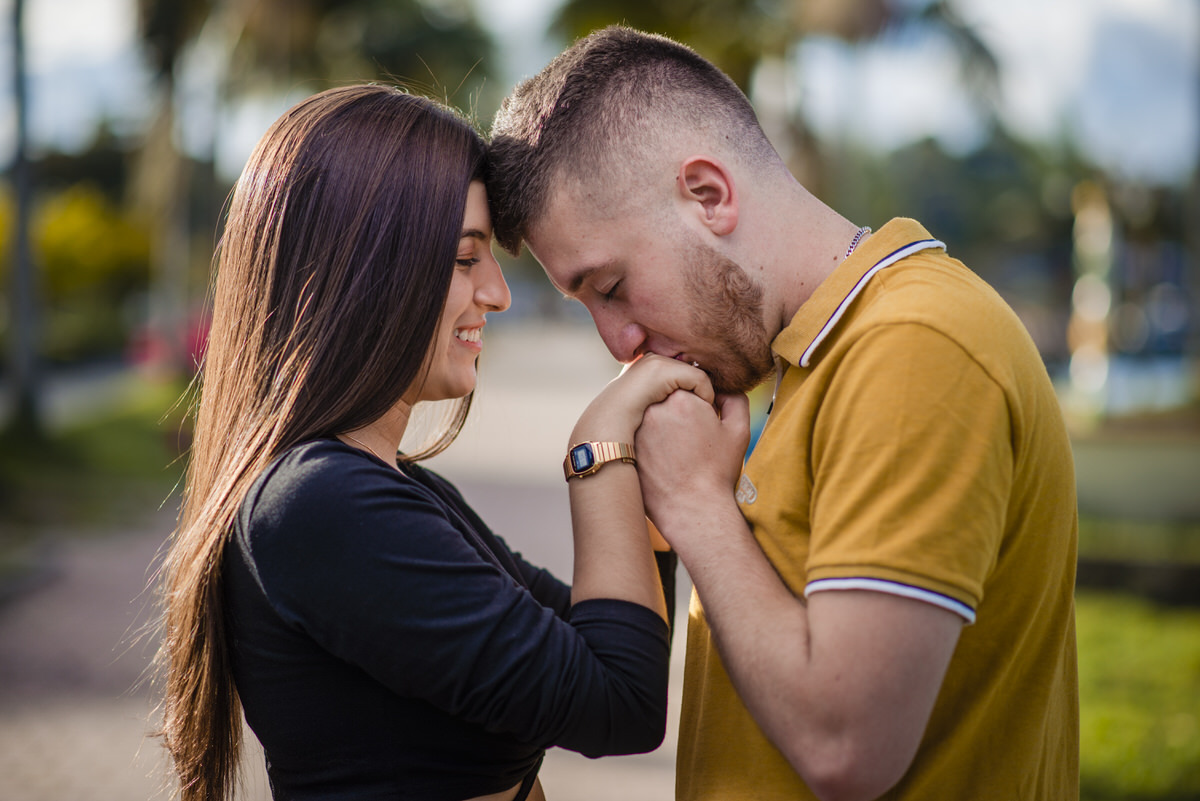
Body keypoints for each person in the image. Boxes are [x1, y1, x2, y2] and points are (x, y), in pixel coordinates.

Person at [487, 26, 1079, 801]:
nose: (618, 340)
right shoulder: (820, 357)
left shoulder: (912, 345)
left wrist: (697, 503)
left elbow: (846, 745)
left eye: (610, 286)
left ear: (709, 195)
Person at [155, 84, 709, 801]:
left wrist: (653, 505)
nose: (498, 294)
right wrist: (598, 450)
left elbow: (597, 642)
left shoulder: (390, 487)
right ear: (367, 269)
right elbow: (617, 707)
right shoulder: (320, 504)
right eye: (463, 258)